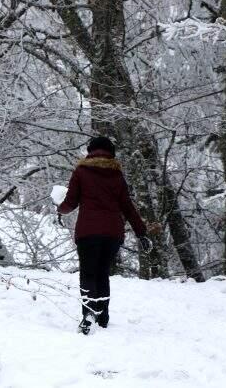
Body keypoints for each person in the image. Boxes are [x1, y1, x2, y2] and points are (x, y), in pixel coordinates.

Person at [58, 136, 155, 334]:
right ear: (111, 152)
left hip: (88, 232)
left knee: (88, 273)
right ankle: (102, 316)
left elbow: (71, 203)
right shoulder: (117, 175)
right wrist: (141, 233)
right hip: (112, 233)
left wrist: (60, 207)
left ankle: (88, 316)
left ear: (90, 151)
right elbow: (128, 207)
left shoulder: (81, 171)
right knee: (102, 273)